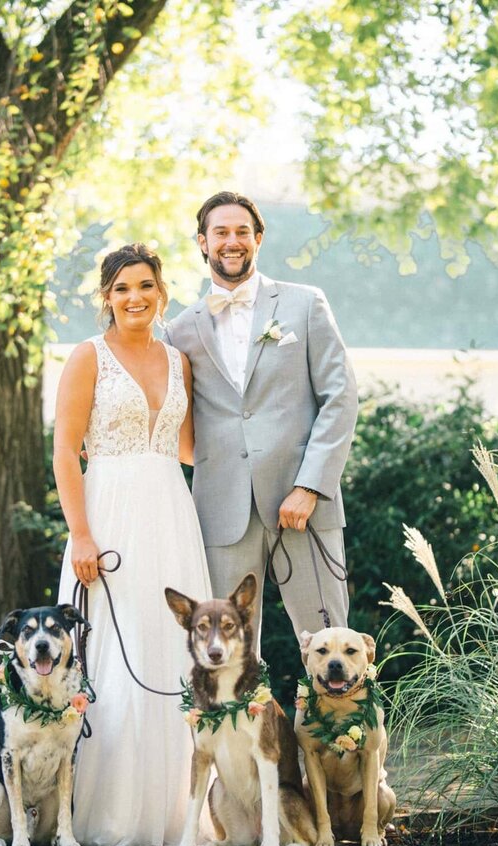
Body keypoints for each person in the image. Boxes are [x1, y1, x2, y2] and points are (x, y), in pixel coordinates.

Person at [53, 243, 212, 846]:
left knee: (170, 649)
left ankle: (176, 813)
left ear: (161, 291)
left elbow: (192, 449)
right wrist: (81, 534)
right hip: (110, 513)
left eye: (145, 286)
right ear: (107, 298)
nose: (135, 298)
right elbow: (66, 450)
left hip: (171, 514)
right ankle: (103, 813)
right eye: (122, 289)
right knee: (113, 656)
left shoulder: (179, 362)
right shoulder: (88, 357)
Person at [165, 191, 359, 647]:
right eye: (220, 233)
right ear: (202, 242)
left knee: (332, 640)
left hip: (303, 504)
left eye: (241, 232)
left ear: (258, 239)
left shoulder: (305, 304)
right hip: (221, 510)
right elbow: (173, 417)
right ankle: (239, 723)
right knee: (226, 652)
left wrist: (310, 487)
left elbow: (341, 397)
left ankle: (346, 722)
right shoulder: (179, 329)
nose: (232, 242)